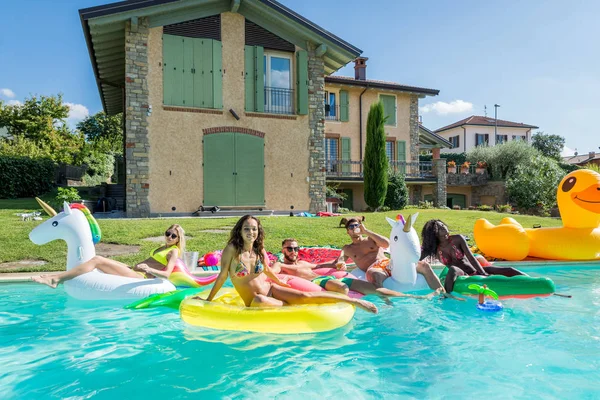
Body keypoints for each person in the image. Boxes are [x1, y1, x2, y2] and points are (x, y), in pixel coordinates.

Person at [200, 215, 378, 314]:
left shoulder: (259, 250)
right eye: (246, 228)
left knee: (304, 295)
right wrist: (209, 300)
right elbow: (223, 275)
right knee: (260, 299)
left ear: (258, 231)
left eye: (254, 229)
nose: (250, 232)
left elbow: (268, 271)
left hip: (270, 288)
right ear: (239, 230)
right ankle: (289, 306)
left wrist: (281, 283)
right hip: (256, 300)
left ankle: (356, 303)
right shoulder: (232, 249)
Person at [271, 238, 436, 299]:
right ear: (283, 250)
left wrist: (338, 262)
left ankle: (410, 297)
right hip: (317, 282)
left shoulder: (303, 263)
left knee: (372, 288)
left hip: (329, 278)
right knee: (342, 287)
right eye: (289, 249)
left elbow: (323, 266)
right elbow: (271, 272)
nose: (294, 251)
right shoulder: (282, 265)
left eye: (296, 248)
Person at [32, 224, 186, 288]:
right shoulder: (163, 247)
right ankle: (55, 275)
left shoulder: (173, 251)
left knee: (97, 261)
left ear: (178, 239)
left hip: (142, 276)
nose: (170, 237)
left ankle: (56, 279)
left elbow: (166, 274)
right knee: (98, 257)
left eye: (174, 236)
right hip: (135, 269)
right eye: (168, 233)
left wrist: (148, 269)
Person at [335, 218, 449, 296]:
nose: (355, 227)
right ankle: (386, 302)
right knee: (375, 276)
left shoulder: (370, 239)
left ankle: (443, 294)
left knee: (424, 266)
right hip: (375, 268)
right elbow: (340, 260)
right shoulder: (347, 248)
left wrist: (366, 231)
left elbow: (386, 243)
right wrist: (341, 263)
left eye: (357, 225)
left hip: (388, 262)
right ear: (347, 232)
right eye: (351, 226)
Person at [420, 219, 526, 293]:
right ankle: (447, 295)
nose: (444, 227)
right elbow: (417, 257)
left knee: (509, 270)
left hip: (473, 269)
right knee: (452, 269)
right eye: (440, 227)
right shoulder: (433, 248)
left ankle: (529, 279)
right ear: (434, 233)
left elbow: (471, 257)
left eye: (443, 225)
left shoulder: (457, 239)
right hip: (461, 274)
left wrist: (483, 273)